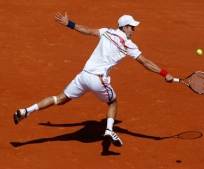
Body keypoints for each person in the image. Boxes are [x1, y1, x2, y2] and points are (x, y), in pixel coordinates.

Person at [13, 12, 174, 147]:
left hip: (83, 76)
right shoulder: (129, 45)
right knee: (113, 103)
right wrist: (164, 73)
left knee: (59, 98)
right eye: (132, 27)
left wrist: (68, 23)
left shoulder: (107, 32)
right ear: (124, 27)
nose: (134, 30)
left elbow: (87, 30)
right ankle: (109, 130)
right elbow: (145, 62)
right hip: (98, 79)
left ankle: (25, 111)